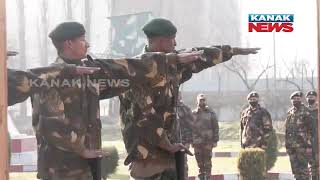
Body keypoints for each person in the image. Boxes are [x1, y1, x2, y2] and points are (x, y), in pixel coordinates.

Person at [8, 21, 202, 180]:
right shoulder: (51, 79)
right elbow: (51, 124)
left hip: (84, 167)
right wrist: (81, 149)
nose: (88, 44)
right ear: (69, 44)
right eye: (83, 40)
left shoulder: (89, 73)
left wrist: (169, 61)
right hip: (61, 169)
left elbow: (126, 69)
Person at [119, 18, 260, 179]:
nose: (176, 43)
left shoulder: (171, 63)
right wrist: (167, 144)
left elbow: (200, 55)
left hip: (172, 153)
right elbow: (146, 117)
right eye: (172, 39)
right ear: (161, 41)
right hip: (147, 156)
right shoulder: (137, 70)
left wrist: (231, 51)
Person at [285, 91, 313, 180]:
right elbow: (287, 129)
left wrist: (308, 145)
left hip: (302, 146)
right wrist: (287, 145)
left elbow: (311, 130)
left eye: (298, 99)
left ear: (301, 99)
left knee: (304, 170)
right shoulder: (289, 112)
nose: (296, 100)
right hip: (291, 146)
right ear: (291, 100)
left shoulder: (306, 112)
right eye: (294, 99)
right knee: (295, 170)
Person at [191, 94, 219, 180]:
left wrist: (215, 141)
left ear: (205, 101)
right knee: (199, 163)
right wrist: (191, 141)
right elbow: (190, 127)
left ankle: (208, 177)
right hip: (197, 142)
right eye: (200, 100)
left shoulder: (211, 113)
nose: (202, 102)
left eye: (203, 100)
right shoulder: (193, 113)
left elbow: (215, 127)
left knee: (207, 162)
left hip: (208, 142)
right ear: (197, 101)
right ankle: (201, 178)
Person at [172, 92, 194, 179]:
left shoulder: (185, 109)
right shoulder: (167, 108)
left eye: (178, 95)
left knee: (182, 163)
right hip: (170, 142)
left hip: (183, 141)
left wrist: (189, 141)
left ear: (180, 96)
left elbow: (191, 126)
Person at [305, 90, 318, 180]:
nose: (310, 99)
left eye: (312, 97)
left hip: (318, 141)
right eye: (309, 98)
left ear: (316, 98)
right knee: (312, 165)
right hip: (308, 142)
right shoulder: (304, 111)